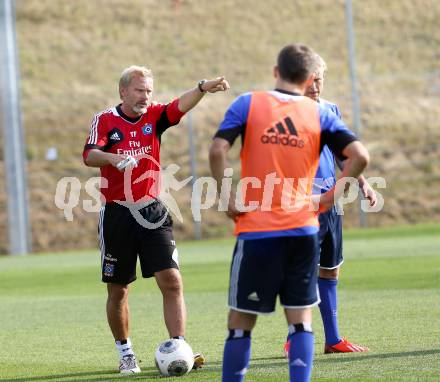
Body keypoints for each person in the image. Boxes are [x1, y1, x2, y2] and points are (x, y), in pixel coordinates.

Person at [209, 44, 370, 382]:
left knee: (241, 322)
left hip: (257, 230)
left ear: (276, 72)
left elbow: (217, 149)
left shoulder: (248, 103)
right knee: (300, 320)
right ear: (310, 78)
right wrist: (327, 198)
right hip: (303, 228)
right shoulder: (320, 113)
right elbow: (359, 157)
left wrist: (227, 197)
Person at [83, 66, 229, 374]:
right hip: (117, 214)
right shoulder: (105, 120)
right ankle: (126, 354)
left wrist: (202, 87)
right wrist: (113, 158)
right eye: (139, 90)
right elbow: (89, 155)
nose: (145, 97)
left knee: (172, 281)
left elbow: (179, 105)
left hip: (153, 211)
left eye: (149, 91)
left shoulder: (154, 117)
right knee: (119, 290)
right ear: (123, 91)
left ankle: (179, 347)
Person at [283, 54, 376, 357]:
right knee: (302, 272)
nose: (315, 85)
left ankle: (333, 339)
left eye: (319, 79)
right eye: (310, 79)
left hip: (331, 201)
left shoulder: (330, 109)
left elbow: (344, 156)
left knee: (330, 271)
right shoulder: (286, 114)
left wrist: (363, 183)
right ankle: (293, 337)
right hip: (302, 204)